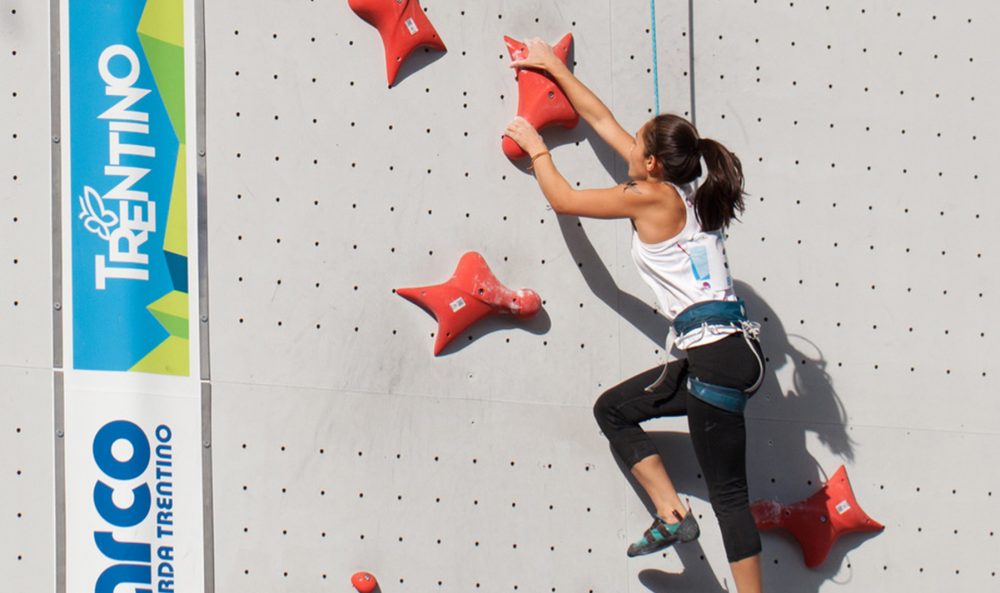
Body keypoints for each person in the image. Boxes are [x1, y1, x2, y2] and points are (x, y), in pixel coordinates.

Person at [504, 39, 767, 593]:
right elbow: (602, 119)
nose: (629, 140)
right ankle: (673, 516)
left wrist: (537, 149)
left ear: (650, 163)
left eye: (639, 142)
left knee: (730, 497)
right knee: (614, 411)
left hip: (716, 360)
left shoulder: (652, 198)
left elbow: (567, 200)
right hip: (722, 355)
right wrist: (551, 65)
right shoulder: (688, 193)